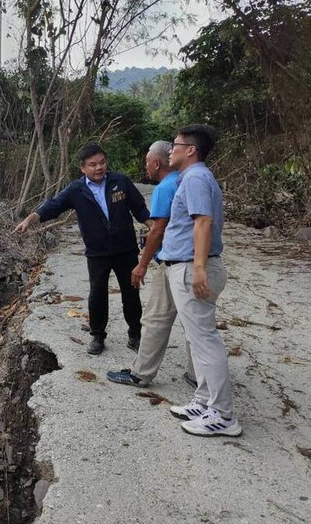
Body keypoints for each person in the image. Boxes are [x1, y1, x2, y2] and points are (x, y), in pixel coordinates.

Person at [13, 143, 150, 355]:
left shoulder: (120, 182)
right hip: (98, 252)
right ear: (83, 168)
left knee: (131, 293)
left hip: (126, 249)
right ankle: (97, 336)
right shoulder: (76, 190)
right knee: (97, 294)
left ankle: (135, 333)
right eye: (93, 165)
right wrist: (30, 220)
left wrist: (155, 228)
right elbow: (53, 206)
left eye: (102, 162)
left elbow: (139, 208)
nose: (99, 168)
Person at [159, 124, 241, 437]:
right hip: (188, 266)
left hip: (192, 268)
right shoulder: (194, 177)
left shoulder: (194, 177)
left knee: (205, 340)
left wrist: (198, 268)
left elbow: (203, 222)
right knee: (197, 338)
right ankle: (205, 400)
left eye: (175, 144)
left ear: (190, 149)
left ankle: (222, 415)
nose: (171, 149)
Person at [106, 141, 196, 387]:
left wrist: (142, 264)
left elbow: (157, 230)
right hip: (195, 260)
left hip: (175, 263)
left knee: (155, 319)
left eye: (147, 161)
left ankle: (141, 373)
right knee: (194, 324)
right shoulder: (189, 179)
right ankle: (198, 374)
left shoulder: (165, 187)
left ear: (156, 163)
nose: (146, 166)